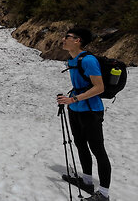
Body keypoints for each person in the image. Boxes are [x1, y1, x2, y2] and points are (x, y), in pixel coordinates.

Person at [56, 28, 111, 201]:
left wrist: (74, 99)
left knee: (98, 150)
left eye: (67, 37)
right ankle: (87, 181)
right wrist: (69, 100)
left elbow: (99, 87)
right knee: (80, 144)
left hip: (91, 111)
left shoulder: (88, 60)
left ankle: (103, 193)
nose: (63, 39)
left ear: (78, 40)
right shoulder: (72, 60)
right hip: (76, 109)